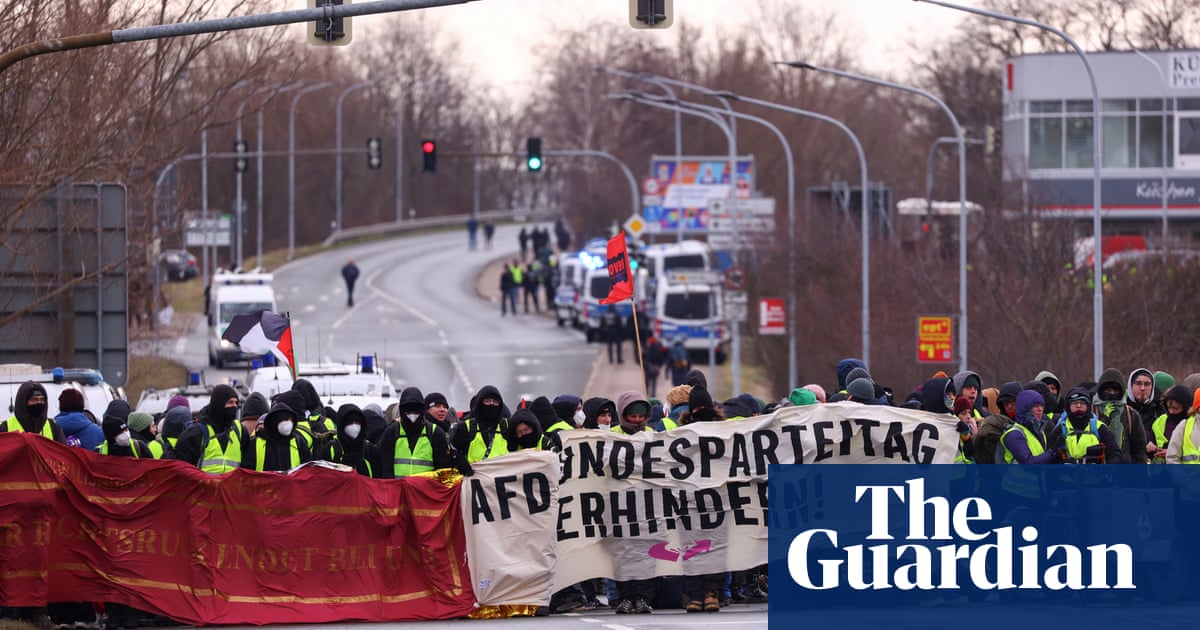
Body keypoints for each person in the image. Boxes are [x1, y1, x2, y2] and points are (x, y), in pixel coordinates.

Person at [610, 390, 657, 614]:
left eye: (641, 417)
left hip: (647, 505)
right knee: (623, 553)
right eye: (632, 417)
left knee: (646, 552)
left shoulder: (653, 435)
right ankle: (625, 596)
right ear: (622, 415)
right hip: (618, 506)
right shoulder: (611, 437)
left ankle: (643, 597)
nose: (637, 421)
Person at [378, 387, 455, 477]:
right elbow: (383, 467)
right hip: (398, 490)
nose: (412, 414)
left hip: (425, 490)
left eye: (416, 410)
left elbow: (443, 469)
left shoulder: (435, 433)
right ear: (402, 410)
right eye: (408, 410)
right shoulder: (392, 432)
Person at [173, 384, 246, 473]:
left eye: (236, 403)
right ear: (219, 403)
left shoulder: (239, 431)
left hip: (230, 486)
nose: (234, 406)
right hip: (203, 486)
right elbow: (182, 470)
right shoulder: (196, 433)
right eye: (230, 402)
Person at [1047, 386, 1123, 464]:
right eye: (1075, 403)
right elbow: (1050, 455)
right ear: (1068, 406)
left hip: (1095, 474)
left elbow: (1114, 453)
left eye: (1082, 403)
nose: (1079, 406)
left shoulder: (1099, 428)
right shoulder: (1061, 430)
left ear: (1088, 406)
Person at [1093, 368, 1148, 464]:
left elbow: (1139, 450)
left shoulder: (1131, 415)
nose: (1112, 394)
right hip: (1097, 471)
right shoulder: (1091, 412)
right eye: (1108, 390)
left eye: (1116, 391)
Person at [450, 385, 511, 465]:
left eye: (495, 402)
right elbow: (454, 452)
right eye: (487, 401)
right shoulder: (465, 427)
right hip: (475, 475)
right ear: (480, 403)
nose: (491, 404)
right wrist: (462, 464)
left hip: (503, 474)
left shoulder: (507, 426)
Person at [243, 402, 312, 472]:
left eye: (291, 420)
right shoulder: (255, 444)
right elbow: (247, 472)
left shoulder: (299, 442)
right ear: (274, 421)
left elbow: (307, 470)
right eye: (285, 419)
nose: (288, 423)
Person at [316, 404, 382, 477]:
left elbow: (378, 479)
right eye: (350, 423)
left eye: (357, 423)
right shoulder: (330, 450)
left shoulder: (369, 450)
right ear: (342, 425)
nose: (354, 427)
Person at [0, 381, 65, 442]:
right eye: (34, 399)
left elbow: (62, 452)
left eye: (42, 399)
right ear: (23, 402)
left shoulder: (54, 428)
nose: (39, 402)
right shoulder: (4, 428)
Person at [1148, 384, 1193, 464]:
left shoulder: (1193, 424)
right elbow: (1151, 439)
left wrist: (1172, 454)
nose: (1171, 412)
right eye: (1169, 407)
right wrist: (1150, 446)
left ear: (1186, 408)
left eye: (1175, 408)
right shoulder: (1161, 420)